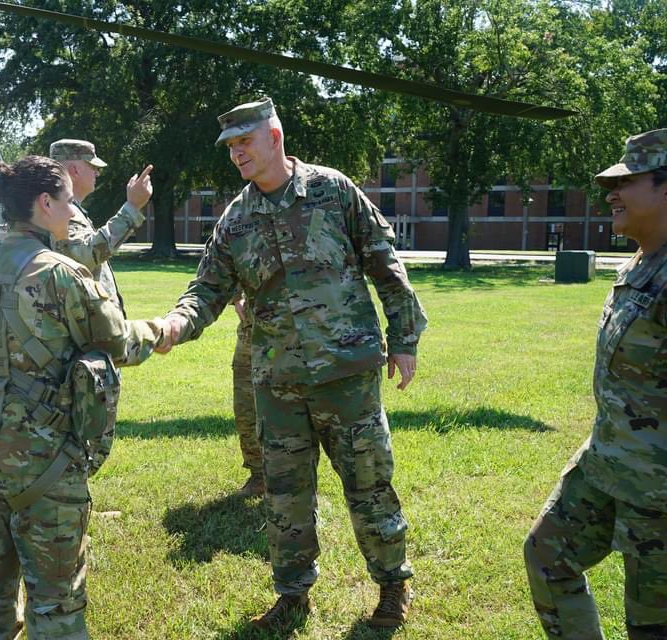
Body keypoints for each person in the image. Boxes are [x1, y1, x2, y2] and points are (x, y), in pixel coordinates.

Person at [156, 97, 427, 630]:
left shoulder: (333, 190)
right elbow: (206, 290)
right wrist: (174, 325)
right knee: (285, 496)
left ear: (274, 138)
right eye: (231, 146)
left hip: (346, 375)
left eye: (245, 142)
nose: (236, 154)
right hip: (277, 381)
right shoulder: (236, 220)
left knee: (369, 485)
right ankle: (293, 594)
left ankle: (393, 586)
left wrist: (405, 337)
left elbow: (384, 262)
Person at [0, 155, 165, 640]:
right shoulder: (60, 274)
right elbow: (119, 344)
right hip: (49, 468)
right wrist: (163, 328)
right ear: (44, 203)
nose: (73, 211)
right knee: (57, 603)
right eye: (67, 200)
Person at [524, 129, 667, 640]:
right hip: (605, 463)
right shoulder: (642, 261)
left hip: (658, 493)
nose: (610, 194)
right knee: (547, 556)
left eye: (626, 182)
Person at [49, 138, 152, 315]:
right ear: (75, 170)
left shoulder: (63, 209)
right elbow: (85, 255)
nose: (97, 173)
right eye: (93, 167)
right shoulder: (60, 212)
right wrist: (132, 208)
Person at [231, 294, 264, 497]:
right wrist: (236, 298)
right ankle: (259, 476)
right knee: (246, 409)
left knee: (295, 413)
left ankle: (298, 487)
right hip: (251, 333)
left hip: (297, 336)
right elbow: (223, 264)